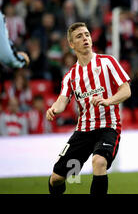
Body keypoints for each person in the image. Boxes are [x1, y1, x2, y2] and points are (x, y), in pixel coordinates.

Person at [46, 22, 131, 195]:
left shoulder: (107, 62)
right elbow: (62, 100)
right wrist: (53, 109)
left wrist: (108, 100)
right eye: (79, 36)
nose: (85, 38)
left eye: (86, 34)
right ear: (71, 45)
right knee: (57, 179)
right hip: (83, 132)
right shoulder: (71, 75)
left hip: (108, 127)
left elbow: (126, 90)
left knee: (99, 162)